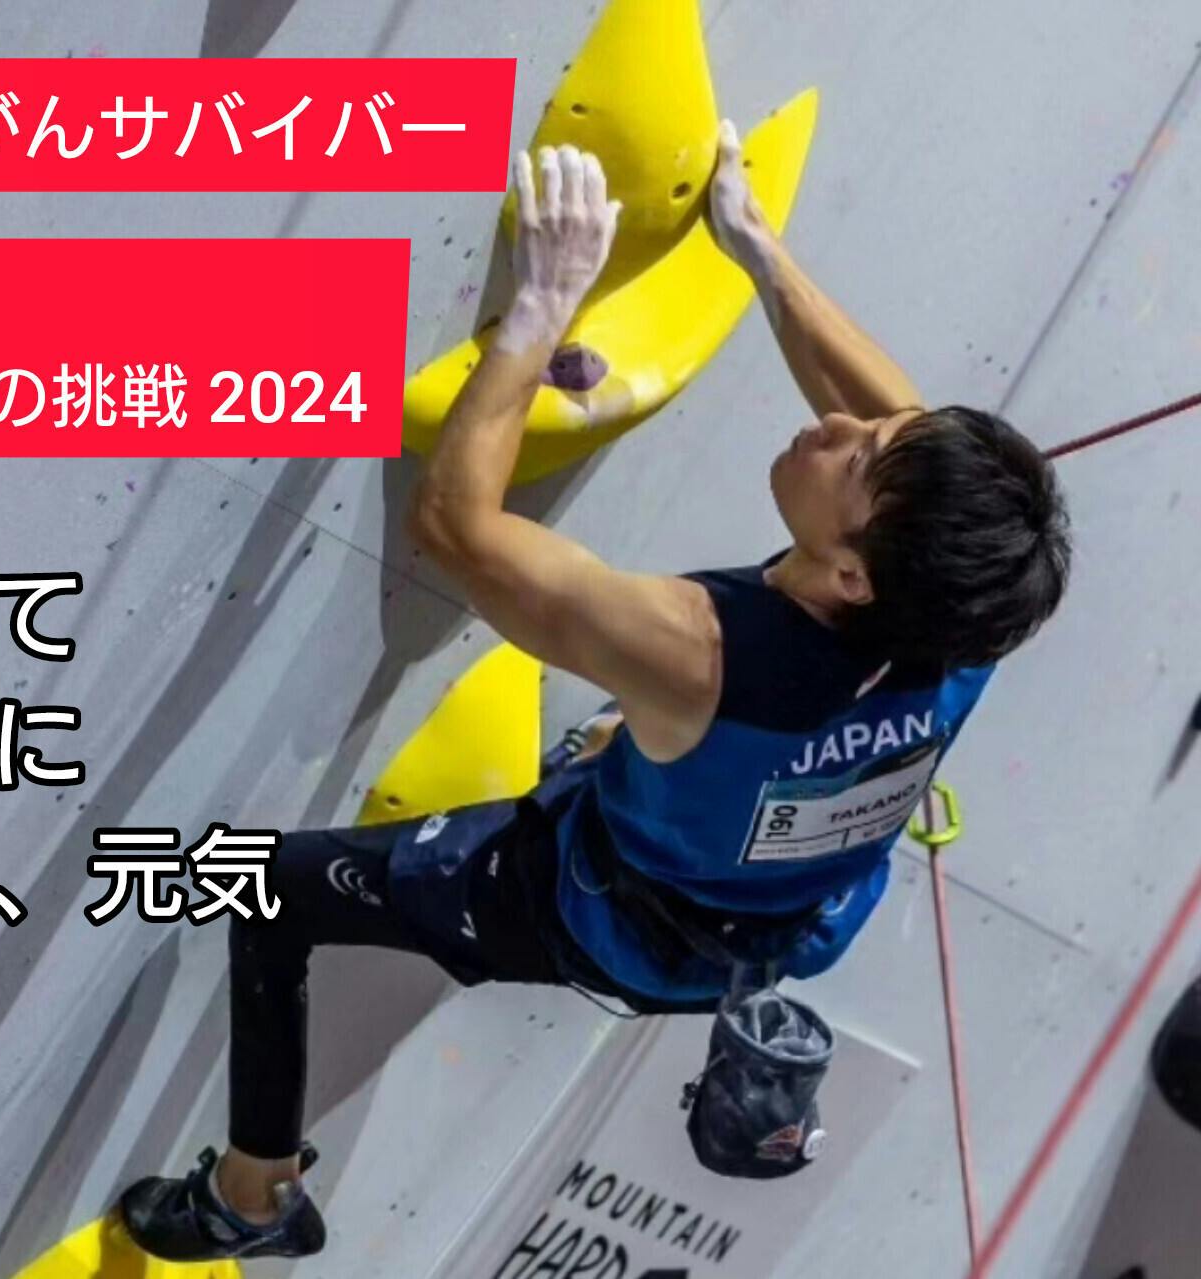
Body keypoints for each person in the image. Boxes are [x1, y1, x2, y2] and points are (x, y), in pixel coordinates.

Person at [116, 122, 1071, 1262]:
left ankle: (251, 1197)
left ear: (854, 575)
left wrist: (542, 304)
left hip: (598, 914)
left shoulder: (700, 654)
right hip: (776, 907)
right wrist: (759, 252)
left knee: (271, 887)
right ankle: (630, 762)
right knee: (672, 734)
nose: (837, 423)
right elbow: (902, 428)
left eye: (853, 456)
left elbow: (456, 527)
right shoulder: (966, 615)